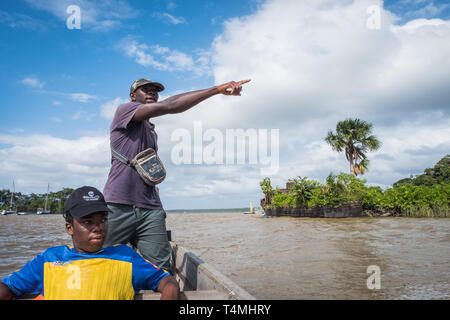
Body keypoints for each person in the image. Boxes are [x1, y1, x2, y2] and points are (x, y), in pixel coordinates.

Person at [102, 78, 251, 271]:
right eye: (145, 90)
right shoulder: (124, 111)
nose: (152, 93)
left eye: (155, 91)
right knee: (102, 263)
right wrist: (216, 90)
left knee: (161, 270)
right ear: (132, 96)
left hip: (150, 208)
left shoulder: (151, 129)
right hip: (118, 204)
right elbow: (169, 106)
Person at [0, 186, 180, 300]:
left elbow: (167, 282)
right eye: (87, 222)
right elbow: (8, 286)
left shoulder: (125, 257)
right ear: (70, 228)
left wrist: (170, 290)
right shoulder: (49, 259)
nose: (98, 227)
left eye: (102, 220)